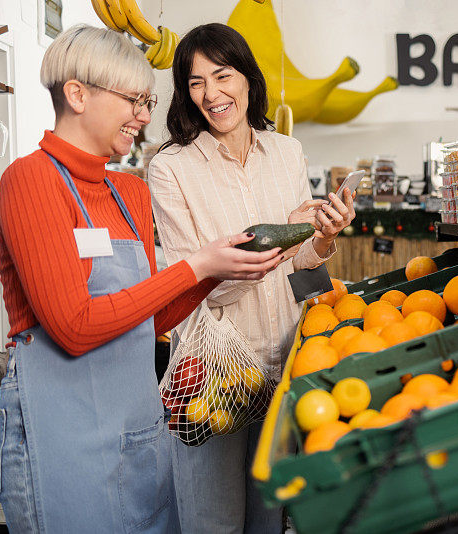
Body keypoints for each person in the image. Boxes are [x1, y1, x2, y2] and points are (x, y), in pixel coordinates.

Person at [0, 25, 283, 534]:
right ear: (77, 94)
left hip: (136, 435)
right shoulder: (30, 179)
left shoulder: (129, 190)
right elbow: (74, 327)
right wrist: (195, 266)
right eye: (133, 100)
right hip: (60, 439)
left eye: (148, 101)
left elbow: (149, 321)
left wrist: (219, 269)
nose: (145, 116)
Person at [148, 23, 355, 534]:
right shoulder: (171, 167)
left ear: (246, 77)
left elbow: (303, 256)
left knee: (267, 523)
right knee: (212, 525)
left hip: (283, 363)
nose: (212, 94)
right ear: (184, 91)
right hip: (212, 375)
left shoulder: (286, 152)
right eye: (196, 82)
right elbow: (188, 279)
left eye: (223, 75)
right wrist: (275, 248)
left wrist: (323, 237)